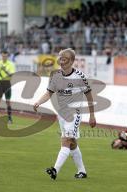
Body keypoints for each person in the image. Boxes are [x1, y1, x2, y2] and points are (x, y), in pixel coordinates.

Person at [33, 48, 96, 180]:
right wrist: (38, 102)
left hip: (74, 114)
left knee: (66, 140)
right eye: (60, 58)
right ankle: (82, 171)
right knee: (72, 144)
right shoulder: (56, 76)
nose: (61, 61)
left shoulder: (80, 76)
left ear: (72, 61)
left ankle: (55, 169)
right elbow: (49, 93)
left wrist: (92, 115)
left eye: (65, 59)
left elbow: (89, 96)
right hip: (62, 114)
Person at [0, 50, 15, 123]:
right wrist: (2, 72)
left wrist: (4, 71)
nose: (4, 57)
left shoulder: (11, 64)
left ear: (7, 56)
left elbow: (11, 74)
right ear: (1, 56)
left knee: (8, 101)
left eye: (5, 56)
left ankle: (10, 118)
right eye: (3, 56)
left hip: (7, 83)